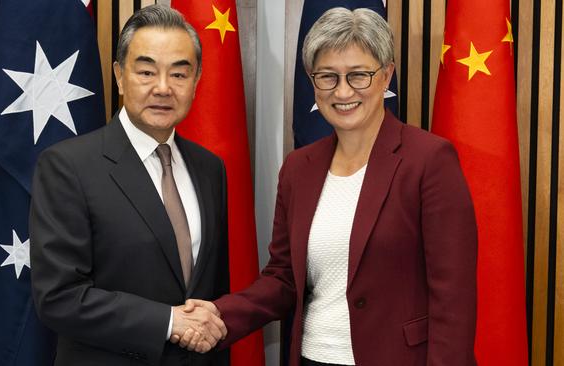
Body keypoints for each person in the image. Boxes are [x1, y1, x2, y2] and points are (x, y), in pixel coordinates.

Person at [177, 7, 478, 366]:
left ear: (386, 76)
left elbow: (453, 298)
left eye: (359, 75)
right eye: (328, 77)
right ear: (313, 82)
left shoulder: (429, 161)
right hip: (312, 357)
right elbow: (283, 279)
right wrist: (219, 314)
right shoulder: (298, 169)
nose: (343, 91)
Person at [29, 5, 230, 366]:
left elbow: (211, 294)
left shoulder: (209, 168)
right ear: (120, 76)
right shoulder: (67, 166)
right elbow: (58, 297)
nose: (163, 88)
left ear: (197, 80)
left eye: (179, 74)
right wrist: (168, 322)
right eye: (147, 71)